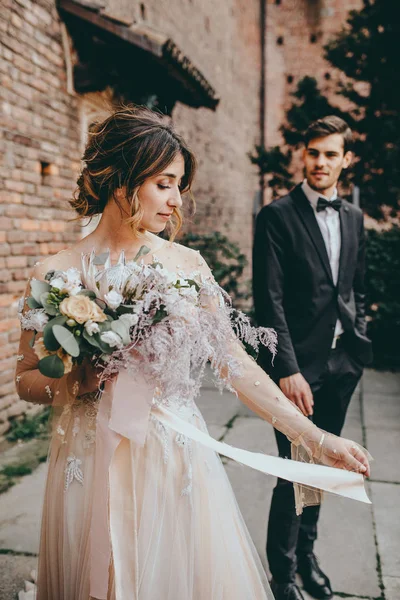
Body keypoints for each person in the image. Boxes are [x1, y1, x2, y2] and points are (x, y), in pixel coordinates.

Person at [15, 107, 370, 600]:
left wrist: (313, 437)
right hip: (88, 459)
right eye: (163, 183)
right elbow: (25, 379)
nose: (176, 200)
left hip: (171, 460)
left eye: (178, 184)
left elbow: (235, 362)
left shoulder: (186, 264)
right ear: (122, 179)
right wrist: (78, 380)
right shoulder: (55, 272)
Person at [253, 115, 373, 600]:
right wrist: (287, 369)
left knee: (324, 468)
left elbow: (355, 286)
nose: (320, 162)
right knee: (295, 471)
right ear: (303, 156)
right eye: (313, 153)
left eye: (330, 154)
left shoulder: (354, 217)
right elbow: (269, 300)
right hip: (297, 370)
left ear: (347, 159)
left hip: (343, 363)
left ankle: (308, 557)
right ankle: (283, 574)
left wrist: (359, 335)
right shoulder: (277, 216)